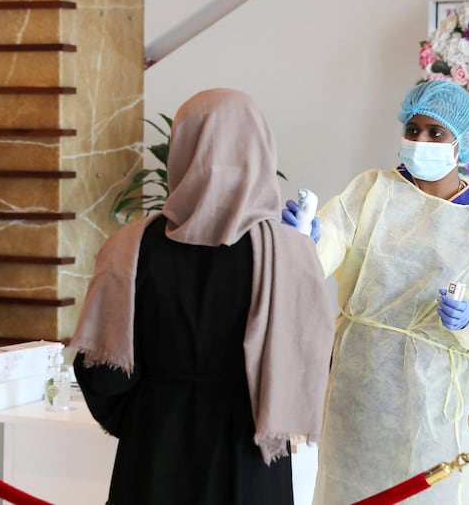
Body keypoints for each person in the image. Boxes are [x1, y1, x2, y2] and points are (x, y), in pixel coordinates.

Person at [71, 88, 335, 505]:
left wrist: (149, 415)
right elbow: (315, 367)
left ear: (183, 150)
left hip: (154, 451)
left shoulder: (130, 248)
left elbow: (101, 371)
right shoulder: (291, 255)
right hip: (249, 458)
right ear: (261, 149)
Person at [283, 79, 469, 504]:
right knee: (353, 489)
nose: (421, 140)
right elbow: (331, 242)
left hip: (438, 397)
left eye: (435, 133)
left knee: (431, 490)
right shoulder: (372, 190)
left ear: (461, 144)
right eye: (414, 129)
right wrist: (306, 241)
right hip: (360, 383)